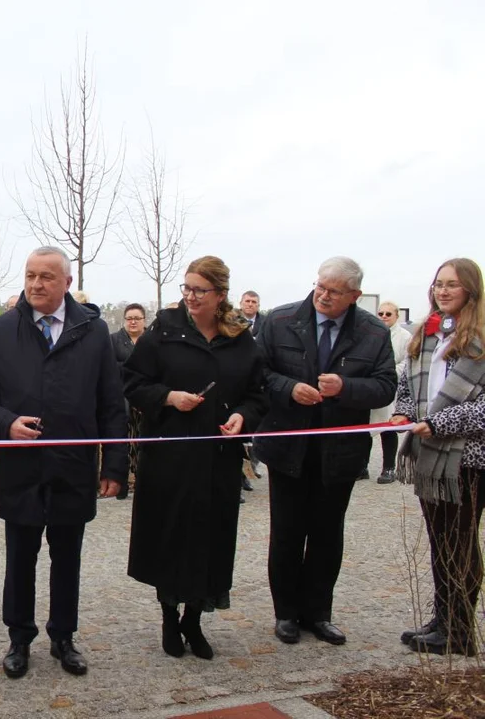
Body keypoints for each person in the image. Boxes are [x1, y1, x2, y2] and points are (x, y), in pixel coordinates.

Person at [0, 246, 128, 679]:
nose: (36, 284)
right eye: (30, 275)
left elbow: (110, 402)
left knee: (68, 558)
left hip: (73, 466)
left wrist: (114, 465)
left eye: (46, 276)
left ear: (67, 282)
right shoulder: (2, 330)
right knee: (20, 558)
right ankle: (19, 638)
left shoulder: (93, 331)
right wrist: (5, 424)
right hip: (21, 469)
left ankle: (63, 636)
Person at [123, 257, 267, 659]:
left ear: (220, 295)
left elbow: (258, 394)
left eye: (199, 290)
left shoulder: (240, 338)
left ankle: (194, 620)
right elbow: (133, 382)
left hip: (217, 460)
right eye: (186, 288)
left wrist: (243, 416)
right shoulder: (164, 330)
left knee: (209, 541)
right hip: (170, 457)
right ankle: (170, 619)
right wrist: (169, 397)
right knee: (170, 539)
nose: (190, 297)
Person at [253, 257, 396, 647]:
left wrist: (346, 387)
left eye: (333, 291)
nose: (322, 295)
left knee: (327, 536)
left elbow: (386, 386)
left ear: (354, 295)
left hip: (340, 452)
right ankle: (285, 613)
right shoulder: (280, 320)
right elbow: (258, 373)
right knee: (286, 533)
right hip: (288, 445)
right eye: (320, 286)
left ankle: (318, 613)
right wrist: (288, 388)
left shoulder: (372, 332)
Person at [393, 258, 485, 656]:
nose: (442, 291)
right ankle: (443, 618)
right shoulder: (429, 335)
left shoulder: (480, 339)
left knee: (461, 542)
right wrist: (404, 411)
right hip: (430, 454)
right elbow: (408, 383)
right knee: (439, 538)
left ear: (471, 290)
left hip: (467, 458)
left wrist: (441, 423)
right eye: (438, 284)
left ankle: (461, 628)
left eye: (452, 285)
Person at [371, 301, 413, 484]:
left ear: (396, 316)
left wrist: (387, 372)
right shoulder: (371, 334)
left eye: (388, 314)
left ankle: (389, 468)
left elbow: (408, 362)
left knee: (388, 427)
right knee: (367, 426)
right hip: (372, 386)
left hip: (391, 384)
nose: (384, 317)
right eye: (380, 314)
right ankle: (361, 466)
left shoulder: (405, 337)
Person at [111, 303, 146, 500]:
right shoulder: (114, 340)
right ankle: (122, 483)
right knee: (123, 441)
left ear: (144, 320)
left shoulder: (151, 339)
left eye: (137, 318)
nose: (133, 322)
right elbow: (110, 366)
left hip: (145, 398)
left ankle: (142, 480)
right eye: (129, 318)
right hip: (122, 396)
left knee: (143, 441)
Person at [239, 291, 265, 486]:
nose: (250, 304)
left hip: (257, 380)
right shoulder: (231, 321)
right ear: (241, 303)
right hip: (237, 381)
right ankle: (241, 476)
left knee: (254, 431)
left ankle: (252, 467)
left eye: (253, 301)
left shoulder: (266, 324)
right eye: (247, 301)